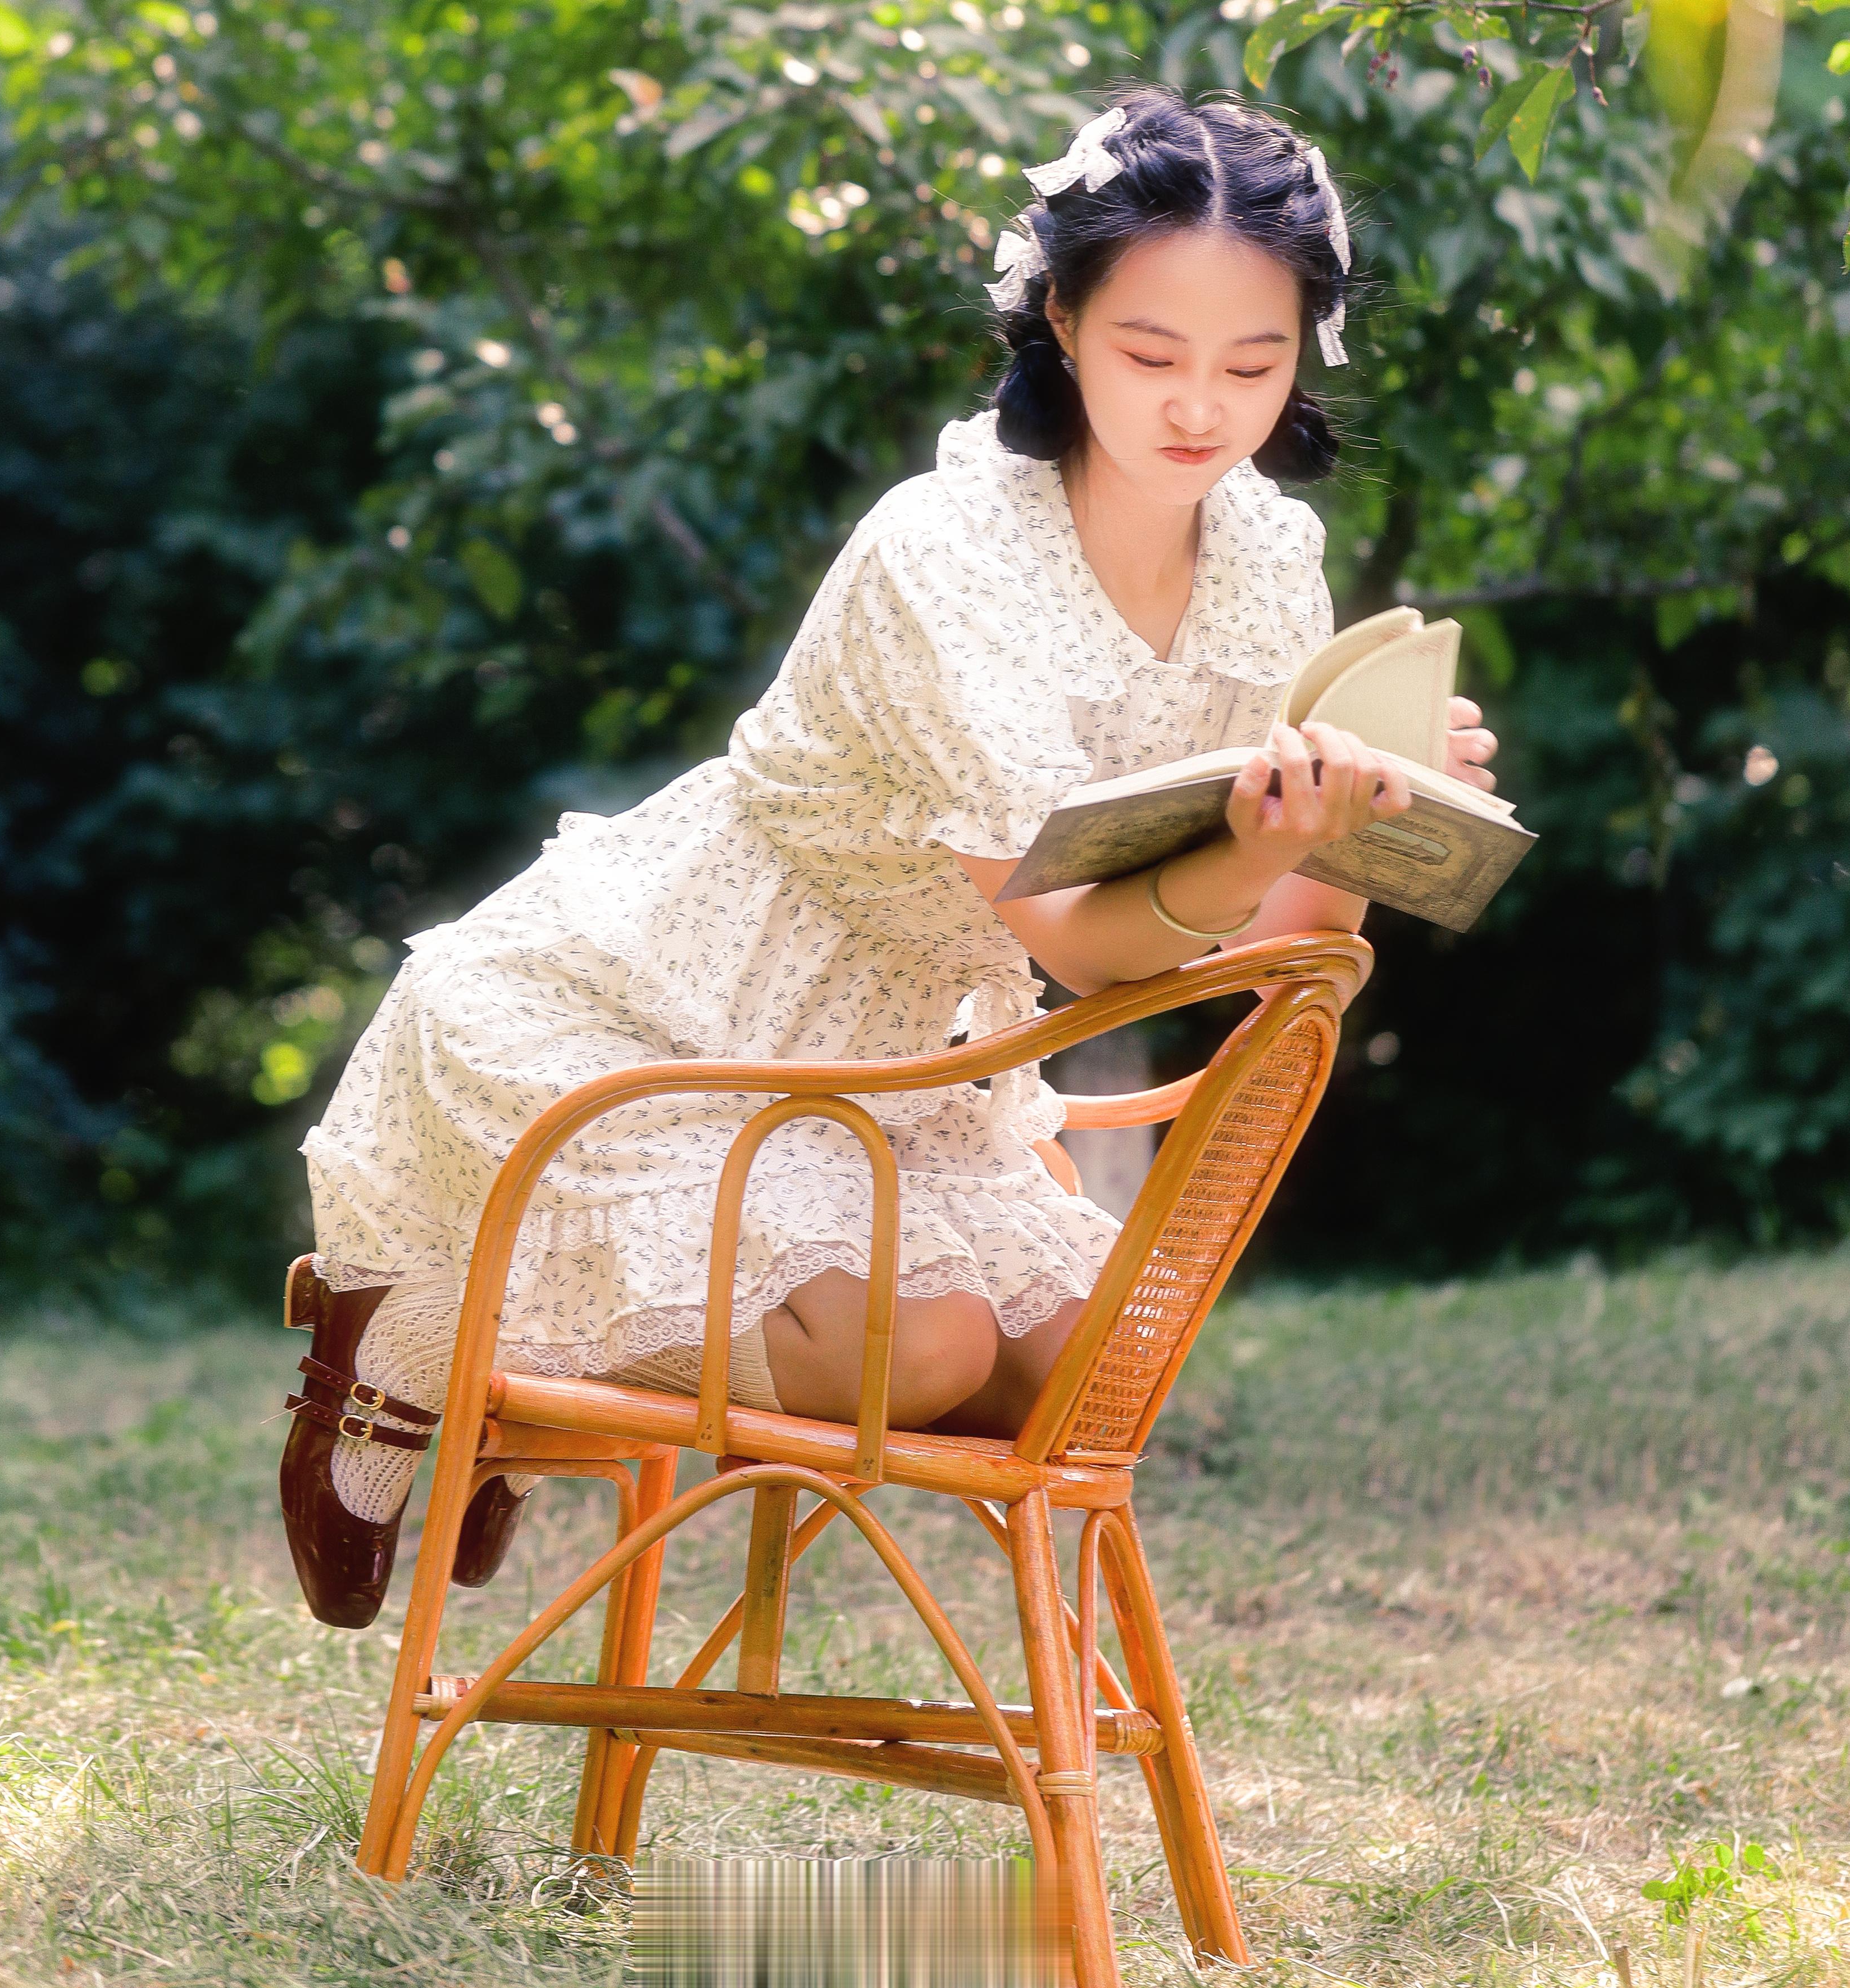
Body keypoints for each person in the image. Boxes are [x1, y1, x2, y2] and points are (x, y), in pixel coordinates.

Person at [280, 85, 1498, 1625]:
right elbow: (1081, 942)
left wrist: (1357, 819)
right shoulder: (946, 551)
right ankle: (423, 1338)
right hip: (666, 1010)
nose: (1201, 408)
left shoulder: (1268, 554)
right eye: (1151, 354)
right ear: (1060, 317)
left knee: (1085, 1372)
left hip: (921, 1053)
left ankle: (540, 1334)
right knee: (919, 1352)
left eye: (1251, 364)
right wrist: (1260, 844)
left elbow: (1273, 953)